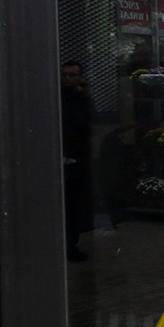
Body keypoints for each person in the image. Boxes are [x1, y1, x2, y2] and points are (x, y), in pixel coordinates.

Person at [61, 60, 95, 261]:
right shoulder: (57, 97)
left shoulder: (82, 98)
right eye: (65, 75)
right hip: (62, 156)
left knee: (73, 206)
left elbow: (88, 123)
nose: (67, 79)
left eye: (72, 75)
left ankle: (71, 244)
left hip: (76, 159)